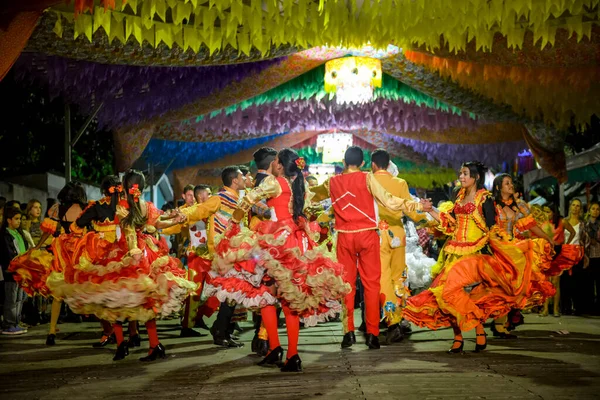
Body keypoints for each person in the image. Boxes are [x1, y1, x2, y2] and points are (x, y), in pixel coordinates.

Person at [206, 148, 350, 372]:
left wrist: (232, 224)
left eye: (275, 161)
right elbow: (309, 210)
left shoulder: (275, 182)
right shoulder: (299, 184)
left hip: (274, 242)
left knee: (265, 292)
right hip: (294, 241)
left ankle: (280, 350)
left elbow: (248, 201)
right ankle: (285, 352)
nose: (273, 164)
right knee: (287, 298)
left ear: (280, 165)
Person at [403, 164, 554, 353]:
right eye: (460, 173)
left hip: (474, 254)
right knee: (445, 295)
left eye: (465, 174)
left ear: (475, 177)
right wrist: (430, 210)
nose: (461, 176)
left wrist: (509, 247)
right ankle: (460, 337)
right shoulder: (458, 198)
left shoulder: (485, 198)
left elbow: (493, 227)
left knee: (452, 292)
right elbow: (449, 224)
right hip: (453, 253)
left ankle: (477, 330)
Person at [311, 146, 430, 349]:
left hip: (345, 237)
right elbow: (389, 201)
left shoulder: (332, 182)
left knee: (346, 286)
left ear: (343, 161)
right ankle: (373, 334)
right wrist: (417, 206)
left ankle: (348, 332)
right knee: (372, 285)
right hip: (367, 235)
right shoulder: (368, 178)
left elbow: (314, 195)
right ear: (364, 163)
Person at [174, 166, 248, 347]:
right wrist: (182, 214)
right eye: (242, 176)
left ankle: (221, 329)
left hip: (235, 250)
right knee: (229, 291)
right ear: (235, 180)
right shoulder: (219, 198)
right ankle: (220, 331)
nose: (245, 179)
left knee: (233, 291)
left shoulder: (238, 199)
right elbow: (200, 211)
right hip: (222, 252)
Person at [370, 149, 427, 345]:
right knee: (399, 276)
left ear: (374, 164)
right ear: (387, 164)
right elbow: (411, 211)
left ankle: (392, 321)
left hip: (377, 235)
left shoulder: (369, 181)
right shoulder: (400, 183)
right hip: (398, 234)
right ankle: (399, 316)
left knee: (383, 279)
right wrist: (426, 218)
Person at [490, 173, 554, 338]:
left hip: (516, 252)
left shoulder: (520, 206)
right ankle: (499, 324)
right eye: (507, 183)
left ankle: (504, 323)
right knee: (501, 288)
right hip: (498, 251)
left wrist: (547, 238)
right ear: (498, 187)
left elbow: (531, 225)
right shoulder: (491, 205)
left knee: (515, 288)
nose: (511, 186)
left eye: (511, 183)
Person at [1, 207, 29, 335]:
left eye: (19, 219)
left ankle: (16, 322)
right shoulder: (5, 235)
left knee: (20, 297)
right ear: (8, 220)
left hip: (22, 270)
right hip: (11, 271)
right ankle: (9, 324)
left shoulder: (19, 233)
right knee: (11, 298)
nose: (19, 222)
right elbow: (8, 253)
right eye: (16, 219)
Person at [584, 202, 600, 314]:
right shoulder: (584, 224)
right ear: (589, 210)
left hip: (598, 255)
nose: (595, 211)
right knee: (587, 283)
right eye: (593, 209)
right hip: (587, 256)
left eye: (598, 209)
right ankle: (588, 306)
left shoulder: (599, 224)